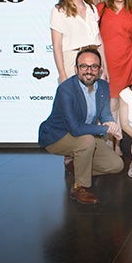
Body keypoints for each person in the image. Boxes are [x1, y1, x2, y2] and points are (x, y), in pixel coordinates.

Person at [38, 48, 123, 204]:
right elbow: (75, 129)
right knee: (87, 141)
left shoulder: (103, 86)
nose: (89, 71)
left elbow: (104, 114)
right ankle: (79, 188)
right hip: (57, 136)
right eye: (84, 66)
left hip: (85, 134)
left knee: (116, 165)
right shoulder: (66, 90)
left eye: (93, 67)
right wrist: (106, 129)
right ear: (76, 69)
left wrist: (112, 124)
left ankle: (76, 165)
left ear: (100, 69)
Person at [96, 0, 132, 154]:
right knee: (109, 105)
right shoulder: (101, 9)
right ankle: (107, 143)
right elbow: (93, 36)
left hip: (128, 60)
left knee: (123, 104)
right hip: (107, 63)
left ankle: (119, 144)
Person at [50, 0, 107, 84]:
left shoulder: (92, 9)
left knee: (94, 101)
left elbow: (99, 42)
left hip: (94, 61)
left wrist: (104, 69)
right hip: (72, 62)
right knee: (74, 101)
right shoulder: (59, 10)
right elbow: (57, 46)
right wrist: (62, 74)